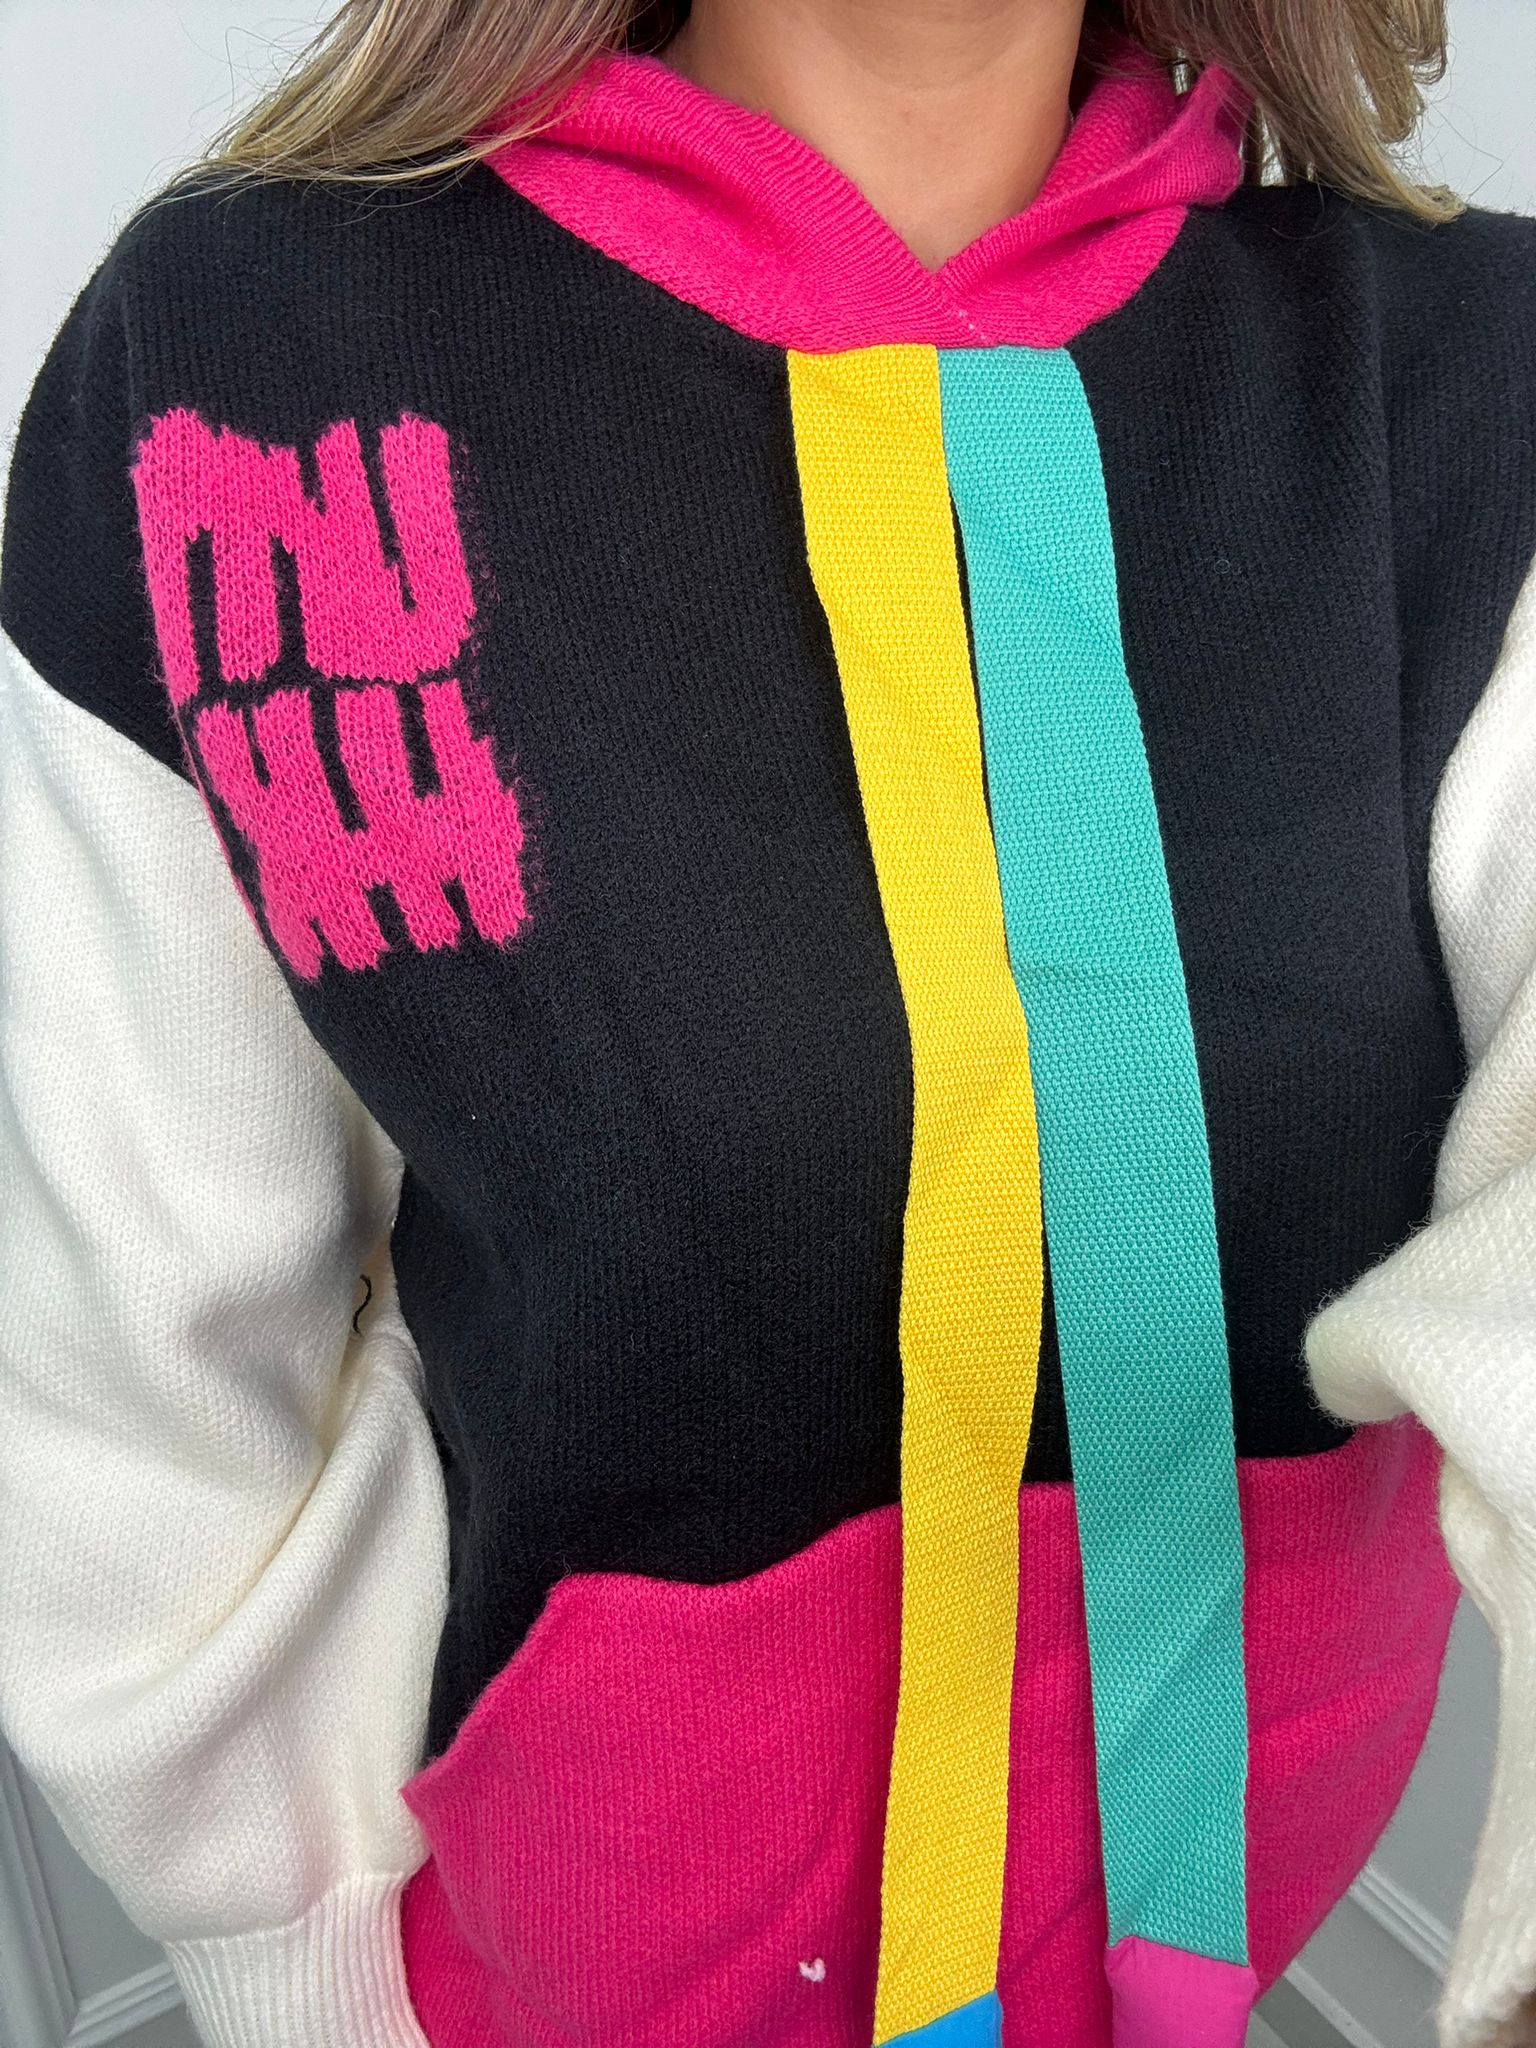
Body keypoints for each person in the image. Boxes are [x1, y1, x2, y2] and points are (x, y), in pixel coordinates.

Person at [1, 0, 1533, 2043]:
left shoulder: (1473, 379)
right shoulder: (247, 365)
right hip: (532, 1989)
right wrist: (312, 1977)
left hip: (1222, 1944)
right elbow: (135, 1368)